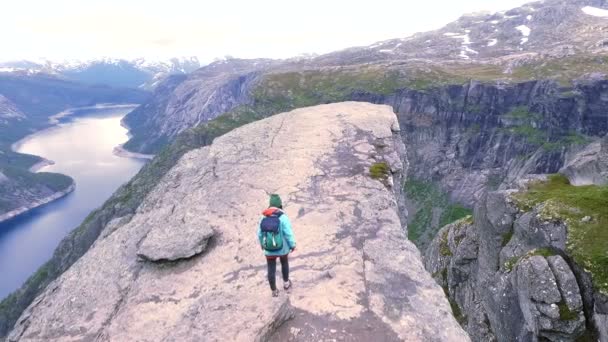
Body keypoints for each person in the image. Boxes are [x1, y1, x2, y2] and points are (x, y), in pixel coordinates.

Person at [257, 194, 296, 297]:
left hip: (269, 249)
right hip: (282, 248)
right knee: (284, 263)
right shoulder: (283, 217)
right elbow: (288, 233)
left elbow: (259, 234)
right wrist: (292, 245)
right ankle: (286, 284)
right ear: (280, 205)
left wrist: (262, 244)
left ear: (270, 205)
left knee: (271, 268)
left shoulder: (263, 217)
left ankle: (274, 291)